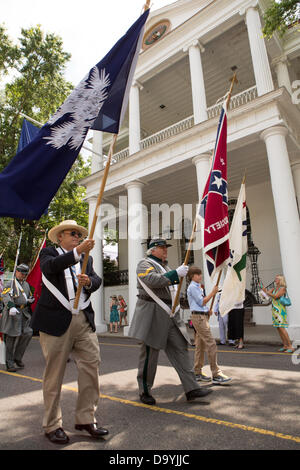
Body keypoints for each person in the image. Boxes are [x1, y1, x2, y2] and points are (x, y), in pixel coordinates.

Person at [30, 220, 108, 445]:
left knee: (92, 365)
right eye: (72, 234)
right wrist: (76, 252)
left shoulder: (87, 258)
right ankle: (52, 424)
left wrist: (89, 281)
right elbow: (50, 268)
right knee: (54, 374)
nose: (77, 237)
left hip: (83, 318)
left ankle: (86, 418)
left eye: (79, 234)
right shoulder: (48, 253)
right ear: (60, 237)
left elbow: (97, 279)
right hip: (56, 320)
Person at [128, 238, 213, 406]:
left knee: (180, 350)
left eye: (165, 247)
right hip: (153, 313)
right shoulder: (144, 264)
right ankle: (144, 390)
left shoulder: (164, 266)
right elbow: (152, 281)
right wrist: (176, 274)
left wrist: (175, 273)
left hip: (170, 315)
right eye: (161, 248)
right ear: (152, 250)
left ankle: (191, 388)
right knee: (149, 356)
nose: (165, 250)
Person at [187, 267, 232, 384]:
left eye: (200, 273)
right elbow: (201, 302)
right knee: (211, 343)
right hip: (199, 318)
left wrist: (207, 310)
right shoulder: (193, 287)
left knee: (200, 345)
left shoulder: (197, 287)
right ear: (192, 276)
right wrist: (213, 292)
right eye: (198, 274)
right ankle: (216, 374)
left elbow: (200, 304)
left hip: (201, 316)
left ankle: (197, 372)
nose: (200, 276)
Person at [0, 264, 34, 372]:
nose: (23, 275)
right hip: (12, 313)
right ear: (16, 272)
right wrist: (11, 306)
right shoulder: (10, 284)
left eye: (25, 274)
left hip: (23, 313)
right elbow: (5, 296)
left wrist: (29, 300)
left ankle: (17, 357)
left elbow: (28, 296)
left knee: (28, 333)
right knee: (11, 338)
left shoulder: (26, 285)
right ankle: (9, 363)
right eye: (21, 273)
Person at [262, 275, 294, 353]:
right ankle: (285, 345)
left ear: (280, 280)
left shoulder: (282, 288)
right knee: (278, 328)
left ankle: (290, 346)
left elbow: (276, 296)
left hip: (280, 310)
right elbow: (267, 296)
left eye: (276, 279)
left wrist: (267, 292)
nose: (275, 279)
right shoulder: (274, 288)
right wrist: (264, 292)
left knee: (282, 328)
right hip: (274, 310)